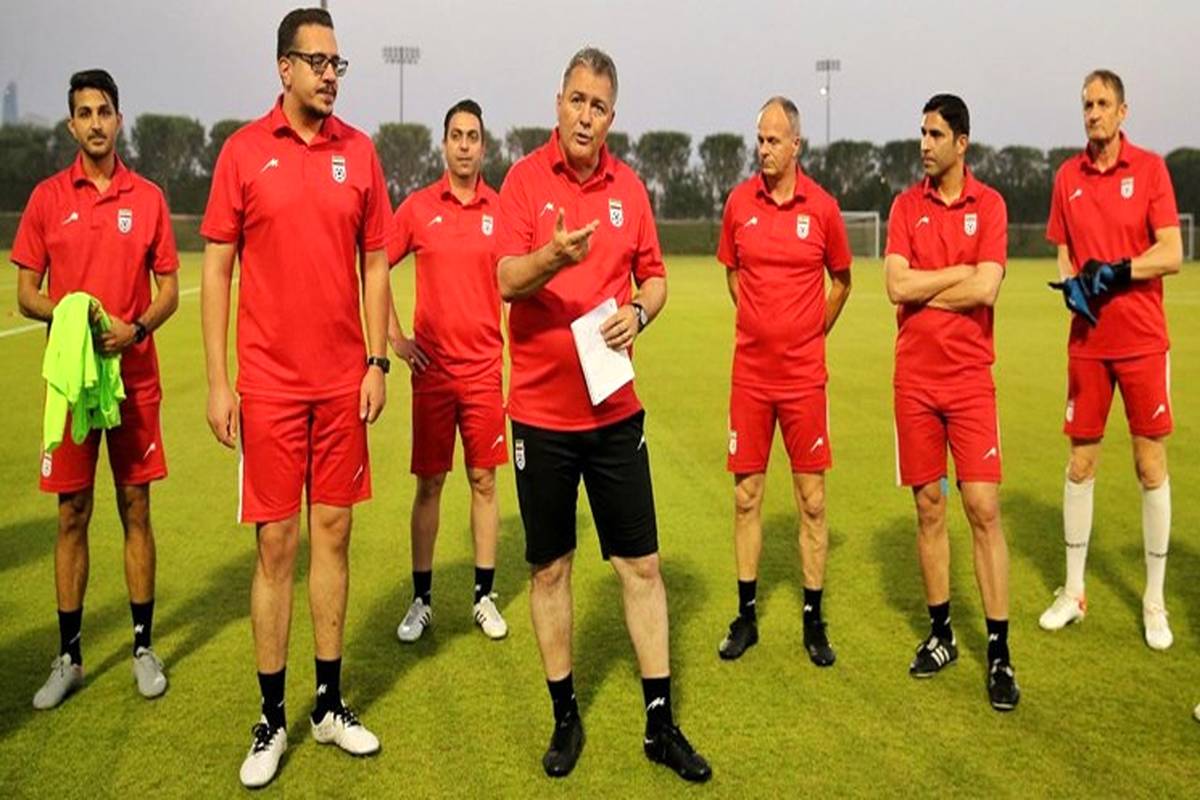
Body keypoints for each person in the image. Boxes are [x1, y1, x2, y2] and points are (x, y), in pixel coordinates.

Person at [495, 46, 711, 782]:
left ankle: (659, 724)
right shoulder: (524, 182)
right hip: (541, 417)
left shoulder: (631, 188)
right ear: (557, 102)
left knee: (641, 566)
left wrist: (639, 313)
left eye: (599, 106)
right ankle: (565, 716)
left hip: (615, 411)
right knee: (550, 569)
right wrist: (552, 258)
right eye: (577, 101)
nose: (585, 116)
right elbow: (506, 279)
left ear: (612, 116)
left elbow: (656, 277)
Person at [199, 7, 391, 789]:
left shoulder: (361, 153)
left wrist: (376, 360)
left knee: (334, 536)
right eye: (317, 61)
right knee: (276, 546)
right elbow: (217, 270)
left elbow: (375, 264)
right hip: (270, 388)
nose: (330, 75)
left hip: (343, 385)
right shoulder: (244, 152)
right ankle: (271, 718)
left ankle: (329, 706)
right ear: (284, 67)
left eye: (337, 63)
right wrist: (219, 381)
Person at [12, 68, 179, 710]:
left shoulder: (150, 198)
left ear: (119, 119)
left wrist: (134, 328)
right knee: (71, 513)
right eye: (84, 113)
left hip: (134, 378)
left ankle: (142, 647)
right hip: (73, 382)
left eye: (104, 111)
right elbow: (26, 293)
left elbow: (169, 290)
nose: (95, 123)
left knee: (135, 506)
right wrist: (73, 315)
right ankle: (70, 657)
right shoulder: (47, 198)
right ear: (71, 124)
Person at [883, 94, 1019, 712]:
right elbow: (895, 285)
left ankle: (999, 651)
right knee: (929, 506)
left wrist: (926, 288)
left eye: (936, 134)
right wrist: (955, 276)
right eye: (922, 133)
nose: (924, 144)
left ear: (962, 143)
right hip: (914, 380)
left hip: (968, 380)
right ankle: (942, 634)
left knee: (982, 507)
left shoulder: (989, 205)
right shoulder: (905, 206)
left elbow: (987, 288)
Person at [1039, 70, 1182, 650]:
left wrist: (1119, 271)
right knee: (1080, 464)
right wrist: (1072, 284)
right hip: (1088, 343)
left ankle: (1154, 601)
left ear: (1123, 112)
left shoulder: (1150, 170)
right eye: (1086, 104)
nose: (1092, 113)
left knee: (1149, 465)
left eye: (1102, 103)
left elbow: (1171, 252)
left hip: (1142, 340)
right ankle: (1074, 593)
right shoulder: (1067, 177)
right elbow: (1063, 250)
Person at [715, 96, 852, 666]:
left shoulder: (822, 209)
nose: (764, 150)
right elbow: (732, 272)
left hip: (803, 380)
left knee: (812, 502)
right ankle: (746, 616)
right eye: (760, 139)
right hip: (750, 377)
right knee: (747, 496)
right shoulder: (738, 203)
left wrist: (809, 331)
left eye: (774, 141)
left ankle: (813, 619)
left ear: (796, 144)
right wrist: (759, 324)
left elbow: (842, 280)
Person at [388, 99, 509, 643]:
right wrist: (395, 339)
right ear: (444, 144)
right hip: (433, 373)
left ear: (483, 146)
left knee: (484, 480)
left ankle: (484, 597)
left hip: (483, 371)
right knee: (431, 484)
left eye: (472, 136)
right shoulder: (417, 209)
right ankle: (422, 600)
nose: (464, 145)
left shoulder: (502, 211)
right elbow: (374, 267)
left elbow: (522, 279)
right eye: (456, 135)